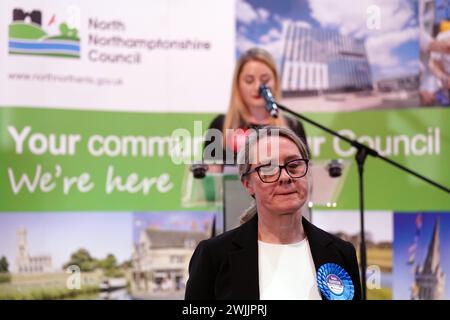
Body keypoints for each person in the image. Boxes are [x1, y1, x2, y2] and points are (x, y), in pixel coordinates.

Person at [185, 126, 361, 300]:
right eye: (268, 169)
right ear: (247, 184)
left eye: (294, 165)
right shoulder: (213, 256)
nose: (285, 177)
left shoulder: (341, 253)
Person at [203, 47, 308, 172]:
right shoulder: (221, 126)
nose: (258, 87)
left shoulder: (293, 127)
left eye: (265, 80)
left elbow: (304, 178)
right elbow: (211, 183)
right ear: (238, 84)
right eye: (249, 80)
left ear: (275, 82)